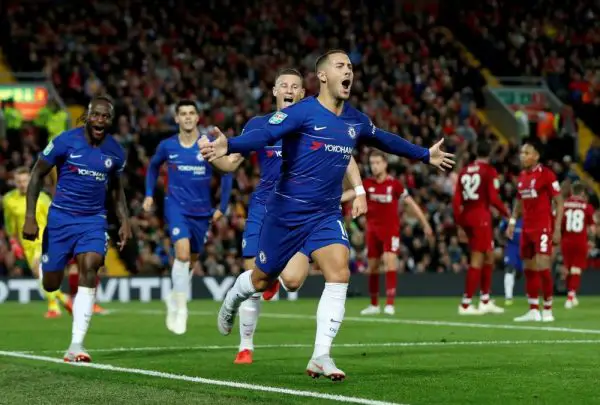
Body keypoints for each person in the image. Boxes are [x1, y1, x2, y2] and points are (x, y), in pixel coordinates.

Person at [200, 49, 454, 380]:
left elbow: (384, 139)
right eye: (340, 66)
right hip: (286, 213)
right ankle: (234, 298)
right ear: (322, 76)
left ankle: (321, 355)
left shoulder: (354, 120)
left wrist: (423, 154)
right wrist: (230, 145)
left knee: (339, 272)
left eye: (350, 66)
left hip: (325, 213)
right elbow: (265, 134)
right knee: (262, 279)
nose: (348, 71)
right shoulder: (302, 112)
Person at [208, 68, 366, 364]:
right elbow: (230, 164)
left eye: (295, 86)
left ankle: (269, 276)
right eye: (284, 85)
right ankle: (245, 345)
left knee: (292, 282)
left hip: (300, 210)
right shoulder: (259, 124)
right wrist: (212, 155)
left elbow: (346, 155)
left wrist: (359, 190)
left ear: (302, 93)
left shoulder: (314, 120)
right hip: (264, 207)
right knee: (256, 277)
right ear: (275, 91)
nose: (289, 90)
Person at [23, 95, 132, 362]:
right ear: (87, 116)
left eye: (105, 116)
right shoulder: (64, 141)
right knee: (51, 284)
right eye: (96, 115)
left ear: (110, 120)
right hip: (60, 220)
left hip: (93, 220)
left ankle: (76, 345)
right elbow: (37, 174)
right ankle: (48, 266)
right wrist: (30, 217)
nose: (100, 120)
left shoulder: (116, 152)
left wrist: (124, 220)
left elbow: (116, 190)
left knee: (91, 265)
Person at [144, 99, 233, 335]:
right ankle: (182, 309)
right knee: (182, 254)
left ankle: (174, 296)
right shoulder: (167, 146)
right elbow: (153, 167)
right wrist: (149, 194)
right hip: (175, 206)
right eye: (182, 113)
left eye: (191, 113)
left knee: (190, 262)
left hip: (202, 211)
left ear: (197, 117)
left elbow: (227, 173)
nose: (187, 117)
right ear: (176, 118)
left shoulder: (208, 145)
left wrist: (222, 206)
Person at [347, 150, 433, 316]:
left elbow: (411, 204)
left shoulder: (394, 184)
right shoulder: (367, 184)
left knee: (390, 262)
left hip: (390, 231)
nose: (374, 166)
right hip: (372, 231)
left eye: (377, 163)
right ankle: (374, 305)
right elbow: (352, 193)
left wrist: (425, 224)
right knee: (372, 267)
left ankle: (390, 304)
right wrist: (335, 198)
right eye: (372, 163)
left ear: (385, 164)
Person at [506, 138, 563, 322]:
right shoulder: (522, 176)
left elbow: (559, 202)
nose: (522, 156)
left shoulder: (546, 175)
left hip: (543, 228)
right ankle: (533, 310)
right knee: (529, 269)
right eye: (521, 153)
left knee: (543, 267)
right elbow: (519, 201)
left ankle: (548, 309)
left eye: (527, 153)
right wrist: (512, 221)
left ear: (536, 156)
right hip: (527, 228)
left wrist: (557, 229)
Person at [3, 166, 70, 318]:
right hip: (26, 245)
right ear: (14, 182)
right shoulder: (9, 200)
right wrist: (14, 243)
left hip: (45, 241)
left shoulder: (42, 198)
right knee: (39, 274)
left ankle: (54, 308)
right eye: (19, 181)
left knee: (40, 270)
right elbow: (10, 224)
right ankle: (63, 299)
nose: (22, 184)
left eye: (25, 181)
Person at [453, 140, 509, 315]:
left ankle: (485, 300)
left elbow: (456, 200)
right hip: (481, 218)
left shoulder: (464, 171)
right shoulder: (489, 171)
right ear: (490, 154)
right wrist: (507, 213)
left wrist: (460, 223)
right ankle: (466, 304)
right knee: (477, 259)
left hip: (468, 216)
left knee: (489, 256)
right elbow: (493, 198)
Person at [561, 181, 596, 309]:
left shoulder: (564, 204)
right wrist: (591, 241)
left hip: (566, 241)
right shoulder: (587, 207)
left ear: (571, 191)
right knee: (576, 269)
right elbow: (592, 228)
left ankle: (572, 294)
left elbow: (559, 223)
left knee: (568, 268)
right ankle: (570, 297)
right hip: (580, 241)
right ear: (582, 192)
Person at [499, 216, 523, 305]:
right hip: (512, 246)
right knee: (509, 268)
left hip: (524, 246)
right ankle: (508, 296)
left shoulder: (528, 217)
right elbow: (500, 231)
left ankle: (533, 297)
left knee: (521, 272)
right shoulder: (508, 218)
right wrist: (502, 241)